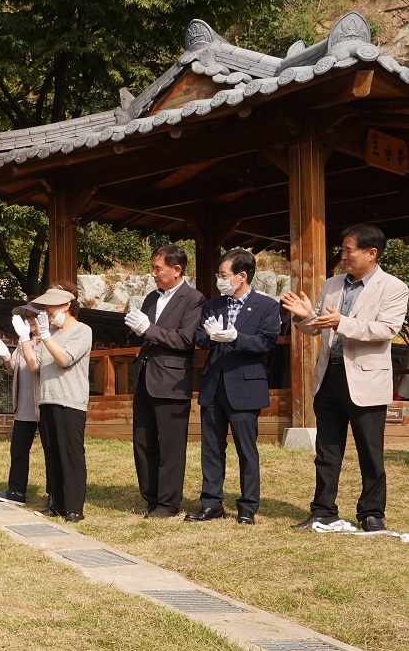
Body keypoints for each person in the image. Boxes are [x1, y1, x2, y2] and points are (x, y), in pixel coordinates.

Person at [281, 224, 409, 531]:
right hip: (330, 376)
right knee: (327, 450)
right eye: (343, 250)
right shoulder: (333, 284)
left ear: (371, 253)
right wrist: (303, 316)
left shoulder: (394, 287)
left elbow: (385, 331)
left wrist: (342, 322)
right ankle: (323, 510)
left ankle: (372, 514)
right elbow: (317, 326)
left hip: (366, 379)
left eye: (349, 250)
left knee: (370, 451)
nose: (343, 256)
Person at [185, 250, 281, 525]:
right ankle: (211, 503)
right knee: (211, 448)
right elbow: (200, 336)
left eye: (223, 275)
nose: (219, 280)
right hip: (214, 384)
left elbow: (266, 342)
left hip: (245, 386)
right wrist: (212, 337)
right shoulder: (214, 305)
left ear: (242, 276)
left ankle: (248, 506)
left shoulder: (266, 306)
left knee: (245, 450)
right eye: (218, 275)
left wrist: (237, 337)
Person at [124, 244, 205, 518]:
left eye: (158, 268)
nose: (153, 274)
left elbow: (185, 339)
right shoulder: (150, 297)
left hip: (172, 381)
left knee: (171, 446)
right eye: (152, 268)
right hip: (145, 376)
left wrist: (150, 329)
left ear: (176, 269)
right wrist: (136, 330)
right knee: (142, 441)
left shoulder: (193, 299)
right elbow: (142, 335)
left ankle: (169, 504)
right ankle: (151, 497)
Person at [16, 284, 92, 522]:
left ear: (67, 305)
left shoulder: (82, 331)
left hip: (70, 401)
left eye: (51, 307)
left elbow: (65, 359)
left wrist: (46, 338)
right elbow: (33, 364)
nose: (47, 312)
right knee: (53, 455)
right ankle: (56, 503)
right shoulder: (51, 334)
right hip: (47, 400)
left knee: (70, 455)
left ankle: (74, 508)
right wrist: (25, 339)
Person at [0, 302, 41, 504]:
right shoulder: (21, 343)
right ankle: (16, 491)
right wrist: (6, 357)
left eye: (32, 317)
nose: (28, 321)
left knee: (51, 451)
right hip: (23, 406)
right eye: (26, 317)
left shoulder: (47, 341)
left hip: (42, 404)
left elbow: (37, 366)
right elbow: (12, 370)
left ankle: (54, 493)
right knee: (18, 451)